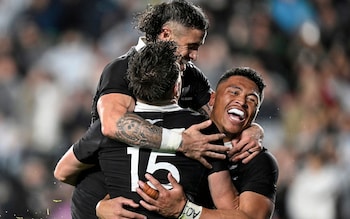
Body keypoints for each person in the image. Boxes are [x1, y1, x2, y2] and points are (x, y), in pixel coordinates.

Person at [56, 0, 263, 218]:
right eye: (191, 46)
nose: (195, 55)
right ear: (165, 35)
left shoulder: (190, 74)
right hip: (109, 200)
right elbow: (113, 124)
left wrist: (252, 129)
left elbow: (220, 120)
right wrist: (181, 142)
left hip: (163, 195)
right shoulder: (121, 69)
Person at [135, 67, 279, 219]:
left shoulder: (257, 160)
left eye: (252, 100)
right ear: (212, 99)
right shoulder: (182, 136)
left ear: (255, 113)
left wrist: (184, 211)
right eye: (234, 92)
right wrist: (105, 206)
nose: (242, 101)